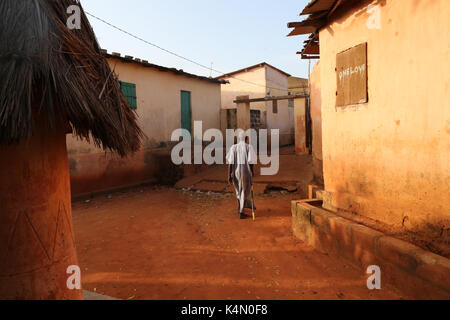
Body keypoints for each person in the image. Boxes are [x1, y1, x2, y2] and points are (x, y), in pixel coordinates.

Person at [226, 132, 257, 219]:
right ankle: (241, 212)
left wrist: (228, 175)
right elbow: (251, 162)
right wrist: (252, 172)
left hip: (235, 172)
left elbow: (230, 163)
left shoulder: (233, 147)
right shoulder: (248, 147)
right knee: (244, 191)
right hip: (245, 172)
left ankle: (239, 207)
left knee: (237, 190)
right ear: (246, 138)